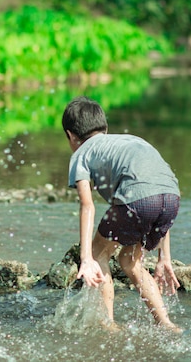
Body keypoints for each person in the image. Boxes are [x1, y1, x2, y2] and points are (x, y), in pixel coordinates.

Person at [62, 96, 182, 333]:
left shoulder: (80, 154)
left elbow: (87, 205)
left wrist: (86, 258)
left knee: (98, 254)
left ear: (70, 136)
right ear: (104, 128)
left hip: (138, 201)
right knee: (129, 260)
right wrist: (164, 258)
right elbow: (158, 191)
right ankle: (166, 324)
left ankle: (108, 326)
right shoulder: (133, 141)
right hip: (172, 198)